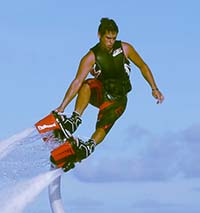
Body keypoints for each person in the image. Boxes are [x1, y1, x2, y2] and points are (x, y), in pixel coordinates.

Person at [52, 17, 164, 169]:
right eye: (108, 38)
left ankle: (89, 146)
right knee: (86, 84)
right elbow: (77, 82)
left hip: (118, 100)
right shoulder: (91, 56)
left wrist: (154, 88)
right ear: (100, 35)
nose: (111, 42)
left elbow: (143, 66)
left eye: (114, 38)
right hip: (102, 93)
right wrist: (62, 107)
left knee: (103, 126)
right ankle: (74, 120)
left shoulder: (125, 48)